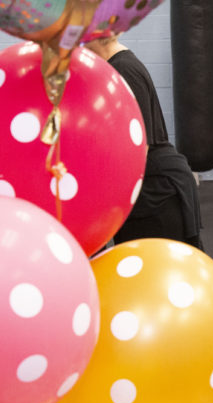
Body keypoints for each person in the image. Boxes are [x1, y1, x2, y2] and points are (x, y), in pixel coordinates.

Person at [83, 32, 203, 249]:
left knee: (159, 271)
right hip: (142, 187)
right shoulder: (112, 69)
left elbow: (139, 147)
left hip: (156, 189)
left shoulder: (124, 70)